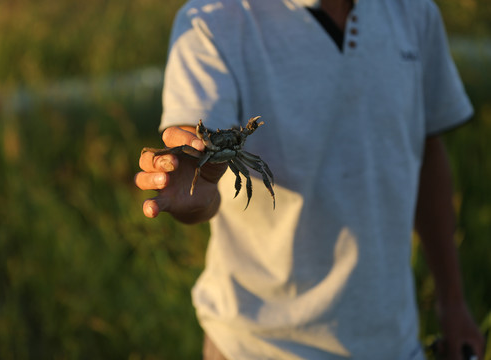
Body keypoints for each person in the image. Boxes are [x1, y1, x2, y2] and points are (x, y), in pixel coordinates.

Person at [135, 0, 485, 358]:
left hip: (393, 340)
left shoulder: (414, 11)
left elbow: (425, 148)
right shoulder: (211, 22)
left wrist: (453, 303)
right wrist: (191, 188)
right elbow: (199, 171)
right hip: (257, 345)